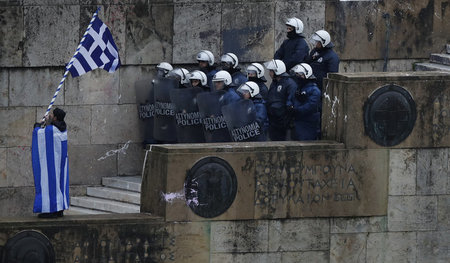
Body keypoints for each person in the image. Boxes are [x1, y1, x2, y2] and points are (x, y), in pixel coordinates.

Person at [32, 108, 69, 218]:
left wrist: (37, 125)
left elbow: (38, 134)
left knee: (50, 183)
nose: (50, 115)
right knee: (60, 183)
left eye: (52, 114)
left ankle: (51, 210)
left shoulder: (51, 130)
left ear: (56, 117)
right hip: (60, 162)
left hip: (52, 163)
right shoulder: (63, 128)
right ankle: (59, 209)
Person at [265, 59, 297, 141]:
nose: (269, 73)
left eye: (271, 71)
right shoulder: (274, 83)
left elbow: (290, 103)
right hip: (273, 120)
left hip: (283, 122)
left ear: (277, 71)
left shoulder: (289, 83)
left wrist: (285, 119)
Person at [289, 63, 321, 140]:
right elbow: (290, 98)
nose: (298, 77)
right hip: (296, 121)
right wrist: (289, 106)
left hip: (308, 122)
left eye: (300, 75)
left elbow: (310, 106)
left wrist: (296, 110)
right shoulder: (298, 88)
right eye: (296, 75)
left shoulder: (314, 90)